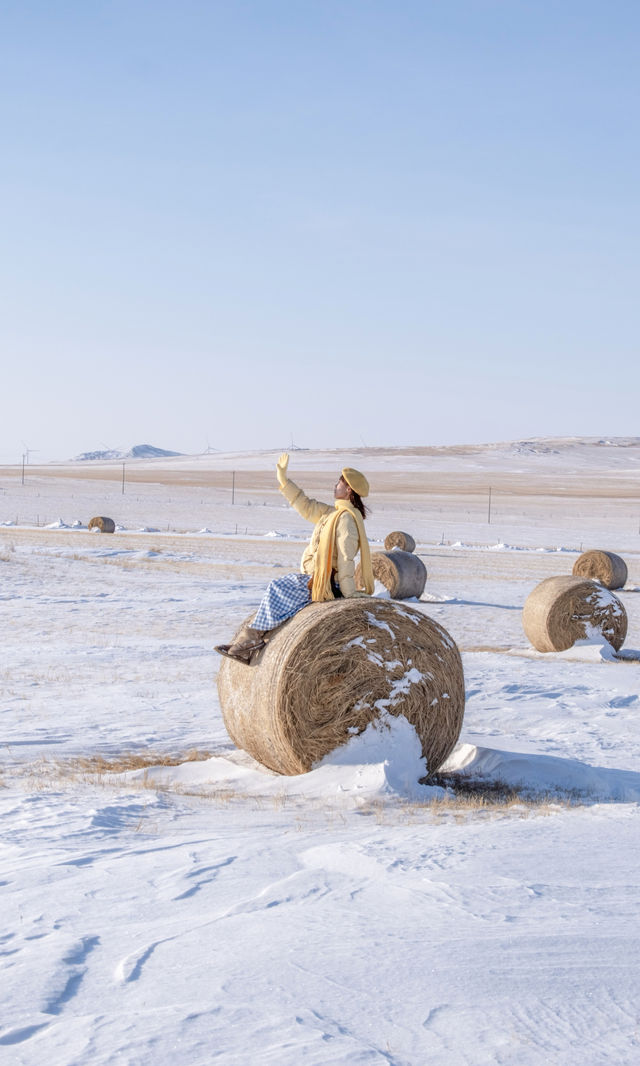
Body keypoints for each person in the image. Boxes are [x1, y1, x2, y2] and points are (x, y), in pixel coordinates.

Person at [215, 453, 374, 663]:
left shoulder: (346, 521)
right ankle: (249, 641)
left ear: (348, 490)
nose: (335, 486)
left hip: (326, 583)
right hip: (314, 578)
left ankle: (249, 641)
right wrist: (284, 481)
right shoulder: (331, 514)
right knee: (279, 592)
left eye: (339, 483)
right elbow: (305, 505)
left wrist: (348, 593)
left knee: (277, 587)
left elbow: (346, 559)